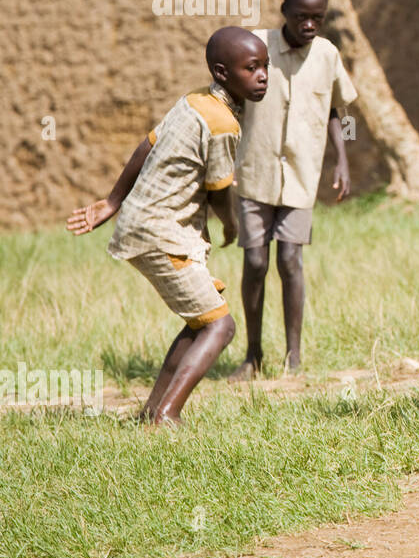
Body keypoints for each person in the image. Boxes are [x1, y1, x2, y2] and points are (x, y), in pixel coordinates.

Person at [66, 27, 269, 424]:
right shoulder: (222, 123)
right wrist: (231, 226)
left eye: (265, 66)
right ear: (222, 72)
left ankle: (151, 413)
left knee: (201, 321)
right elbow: (219, 190)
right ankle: (167, 416)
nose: (263, 75)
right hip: (163, 235)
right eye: (251, 68)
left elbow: (148, 144)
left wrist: (113, 201)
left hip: (147, 227)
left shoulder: (194, 101)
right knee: (221, 327)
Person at [228, 0, 357, 380]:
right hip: (254, 172)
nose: (308, 25)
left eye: (317, 18)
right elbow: (229, 98)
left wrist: (342, 159)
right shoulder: (255, 45)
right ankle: (252, 355)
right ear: (284, 10)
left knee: (290, 259)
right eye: (301, 16)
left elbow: (336, 110)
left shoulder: (327, 55)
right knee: (254, 259)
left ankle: (293, 356)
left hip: (301, 175)